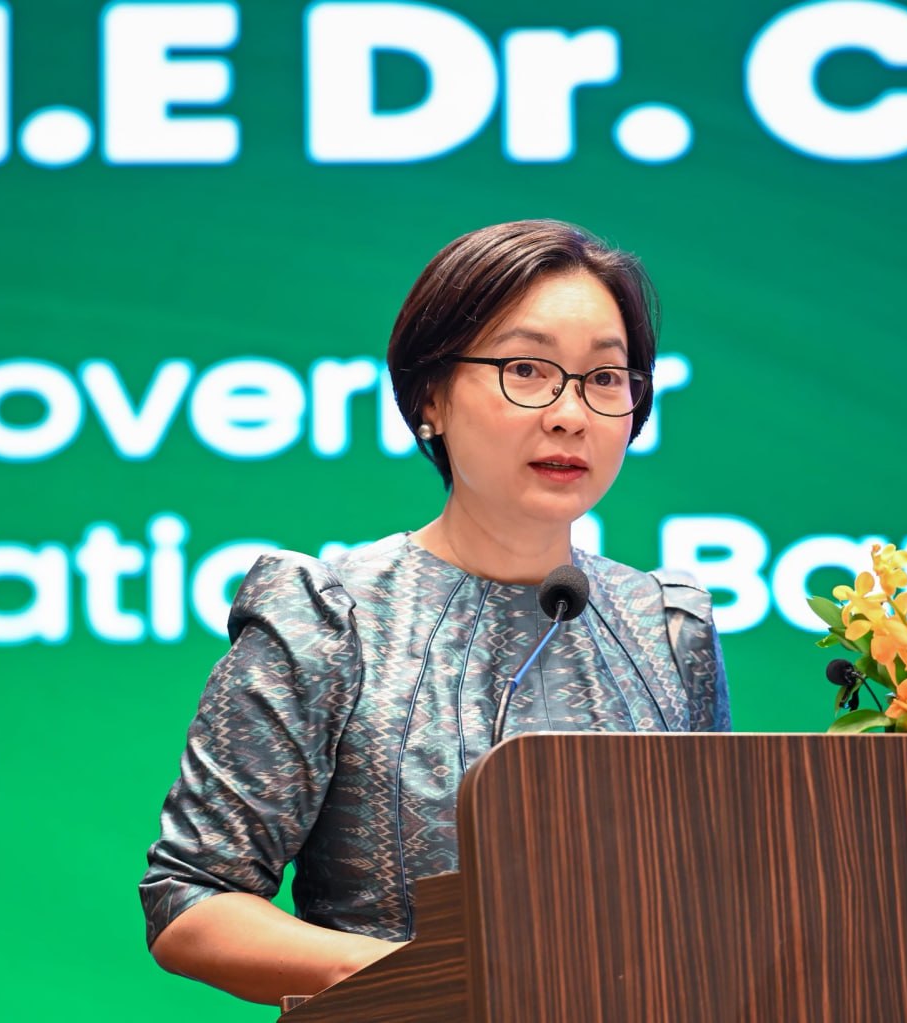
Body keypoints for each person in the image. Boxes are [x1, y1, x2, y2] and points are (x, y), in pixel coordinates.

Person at [139, 219, 730, 1005]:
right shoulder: (331, 618)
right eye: (526, 369)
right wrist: (418, 977)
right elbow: (190, 899)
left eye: (604, 377)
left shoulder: (667, 628)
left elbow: (719, 895)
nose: (570, 413)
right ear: (430, 398)